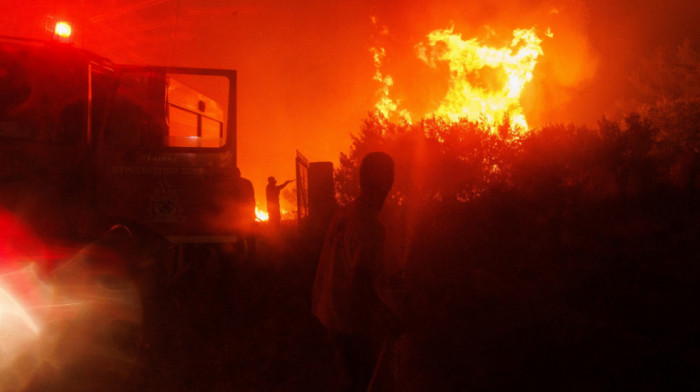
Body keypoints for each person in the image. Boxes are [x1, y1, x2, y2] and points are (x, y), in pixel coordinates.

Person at [311, 152, 402, 392]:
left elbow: (346, 262)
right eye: (390, 178)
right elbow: (359, 284)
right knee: (364, 381)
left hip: (329, 313)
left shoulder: (344, 213)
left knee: (348, 379)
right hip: (349, 324)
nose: (392, 184)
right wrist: (389, 318)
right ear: (378, 182)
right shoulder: (371, 225)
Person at [232, 167, 256, 256]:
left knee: (241, 233)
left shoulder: (232, 184)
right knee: (245, 233)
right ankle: (250, 252)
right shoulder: (247, 182)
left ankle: (242, 251)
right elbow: (252, 198)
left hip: (240, 213)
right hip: (243, 212)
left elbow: (251, 198)